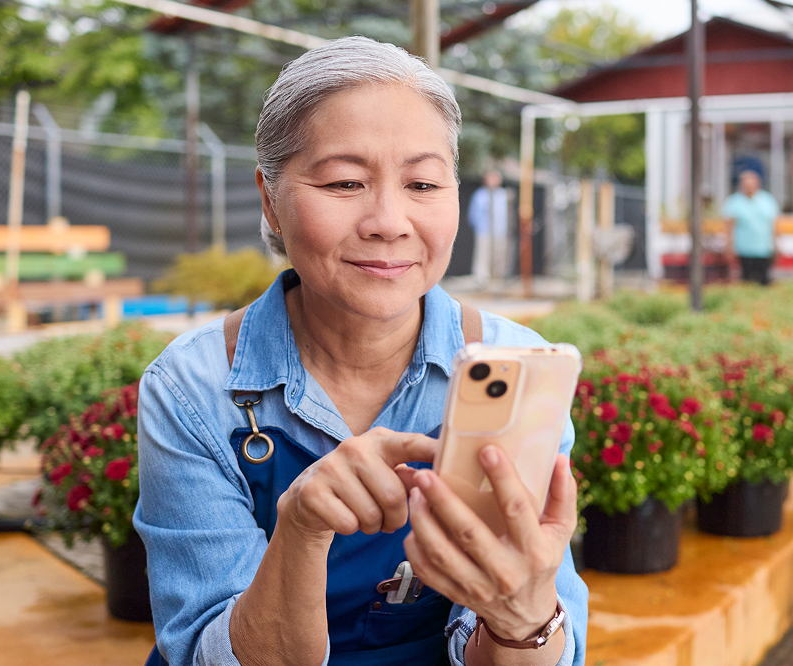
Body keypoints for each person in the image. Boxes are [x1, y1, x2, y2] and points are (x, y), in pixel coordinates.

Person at [134, 36, 587, 666]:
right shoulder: (193, 389)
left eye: (423, 183)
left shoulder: (515, 369)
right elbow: (209, 653)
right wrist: (300, 528)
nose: (388, 220)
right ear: (270, 198)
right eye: (346, 181)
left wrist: (522, 619)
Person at [723, 169, 780, 285]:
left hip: (764, 247)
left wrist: (776, 244)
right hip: (744, 248)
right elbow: (729, 227)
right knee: (746, 280)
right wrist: (729, 246)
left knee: (764, 280)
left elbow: (773, 224)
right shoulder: (734, 202)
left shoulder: (767, 200)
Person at [467, 170, 510, 286]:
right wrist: (478, 228)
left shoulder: (504, 195)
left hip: (500, 231)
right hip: (484, 231)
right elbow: (473, 214)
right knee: (482, 255)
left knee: (499, 255)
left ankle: (498, 278)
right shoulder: (479, 195)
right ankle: (481, 279)